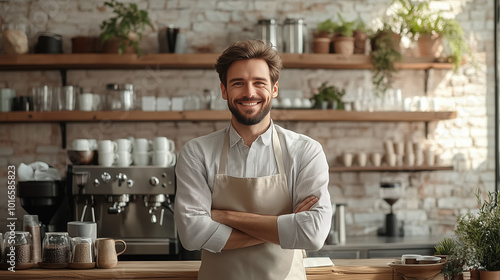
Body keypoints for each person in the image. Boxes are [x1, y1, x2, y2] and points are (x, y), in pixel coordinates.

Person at [174, 40, 332, 280]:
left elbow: (312, 235)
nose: (249, 93)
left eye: (259, 83)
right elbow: (192, 235)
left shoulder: (305, 151)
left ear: (275, 89)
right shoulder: (197, 153)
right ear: (224, 90)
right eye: (238, 83)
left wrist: (224, 216)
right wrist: (285, 225)